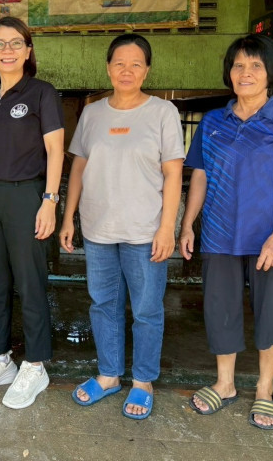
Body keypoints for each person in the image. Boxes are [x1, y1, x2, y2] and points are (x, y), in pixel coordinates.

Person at [179, 34, 273, 430]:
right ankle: (224, 384)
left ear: (272, 72)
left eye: (256, 65)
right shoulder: (212, 122)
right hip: (220, 233)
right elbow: (200, 176)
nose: (246, 72)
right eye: (238, 65)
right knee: (219, 310)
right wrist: (188, 224)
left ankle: (264, 388)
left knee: (270, 315)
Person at [60, 34, 184, 420]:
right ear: (108, 68)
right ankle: (110, 374)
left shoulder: (162, 112)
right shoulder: (92, 114)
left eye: (135, 64)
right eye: (119, 63)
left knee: (146, 309)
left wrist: (168, 227)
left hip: (146, 231)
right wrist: (68, 216)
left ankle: (143, 381)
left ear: (147, 70)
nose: (126, 71)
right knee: (103, 305)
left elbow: (173, 173)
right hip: (98, 229)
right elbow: (78, 168)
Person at [0, 17, 64, 410]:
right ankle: (0, 358)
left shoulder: (42, 93)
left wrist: (49, 200)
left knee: (29, 282)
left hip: (28, 195)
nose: (7, 50)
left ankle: (36, 365)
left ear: (28, 50)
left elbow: (55, 150)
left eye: (15, 43)